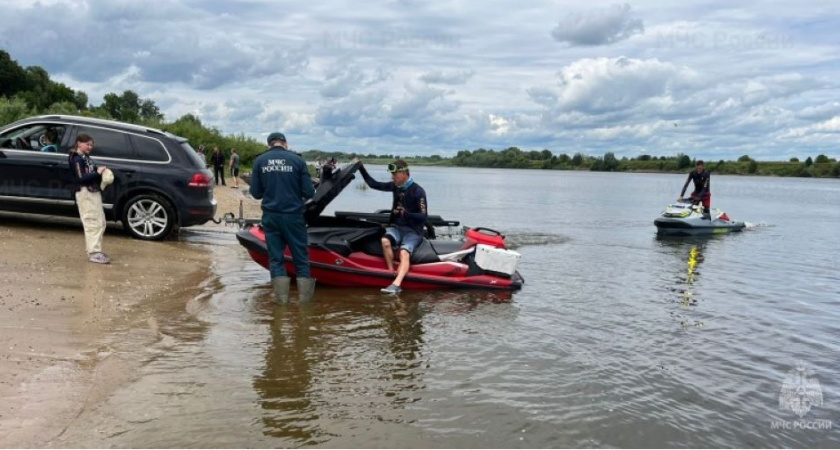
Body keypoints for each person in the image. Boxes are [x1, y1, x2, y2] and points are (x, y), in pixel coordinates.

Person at [250, 132, 316, 303]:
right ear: (285, 143)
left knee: (276, 259)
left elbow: (256, 193)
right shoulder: (298, 161)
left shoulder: (260, 161)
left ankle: (281, 306)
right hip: (294, 216)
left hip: (271, 217)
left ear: (269, 144)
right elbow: (309, 192)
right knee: (301, 259)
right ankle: (305, 308)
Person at [357, 159, 428, 294]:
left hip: (414, 232)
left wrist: (405, 214)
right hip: (398, 229)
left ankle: (397, 284)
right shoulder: (395, 186)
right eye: (392, 174)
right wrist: (361, 168)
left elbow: (423, 217)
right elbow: (373, 184)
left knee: (403, 252)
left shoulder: (418, 191)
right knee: (385, 241)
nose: (392, 177)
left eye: (395, 174)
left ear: (404, 173)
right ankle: (391, 273)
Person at [68, 133, 110, 264]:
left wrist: (99, 170)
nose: (90, 147)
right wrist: (96, 173)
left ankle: (96, 250)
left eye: (92, 145)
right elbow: (81, 177)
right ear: (79, 143)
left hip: (93, 192)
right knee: (92, 223)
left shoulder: (85, 157)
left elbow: (89, 172)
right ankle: (94, 253)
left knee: (100, 222)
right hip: (85, 193)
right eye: (88, 144)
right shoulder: (77, 159)